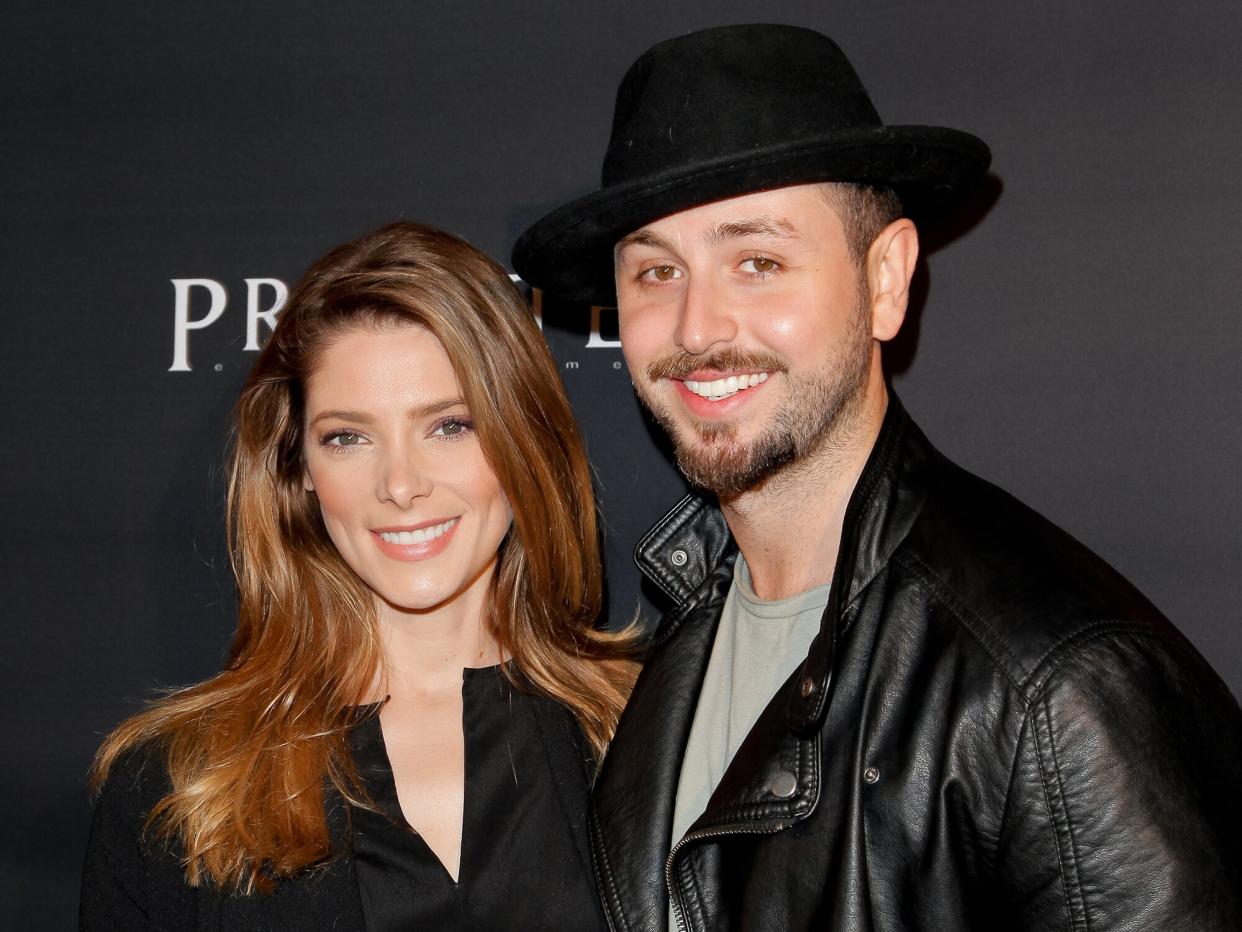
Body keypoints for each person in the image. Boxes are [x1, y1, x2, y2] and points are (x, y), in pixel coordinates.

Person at [512, 23, 1242, 931]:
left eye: (758, 261)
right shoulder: (682, 627)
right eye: (657, 271)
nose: (697, 326)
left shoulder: (1055, 686)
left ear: (886, 277)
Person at [81, 222, 637, 930]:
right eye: (349, 437)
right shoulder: (180, 784)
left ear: (523, 439)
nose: (400, 485)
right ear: (300, 471)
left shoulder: (655, 735)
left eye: (450, 426)